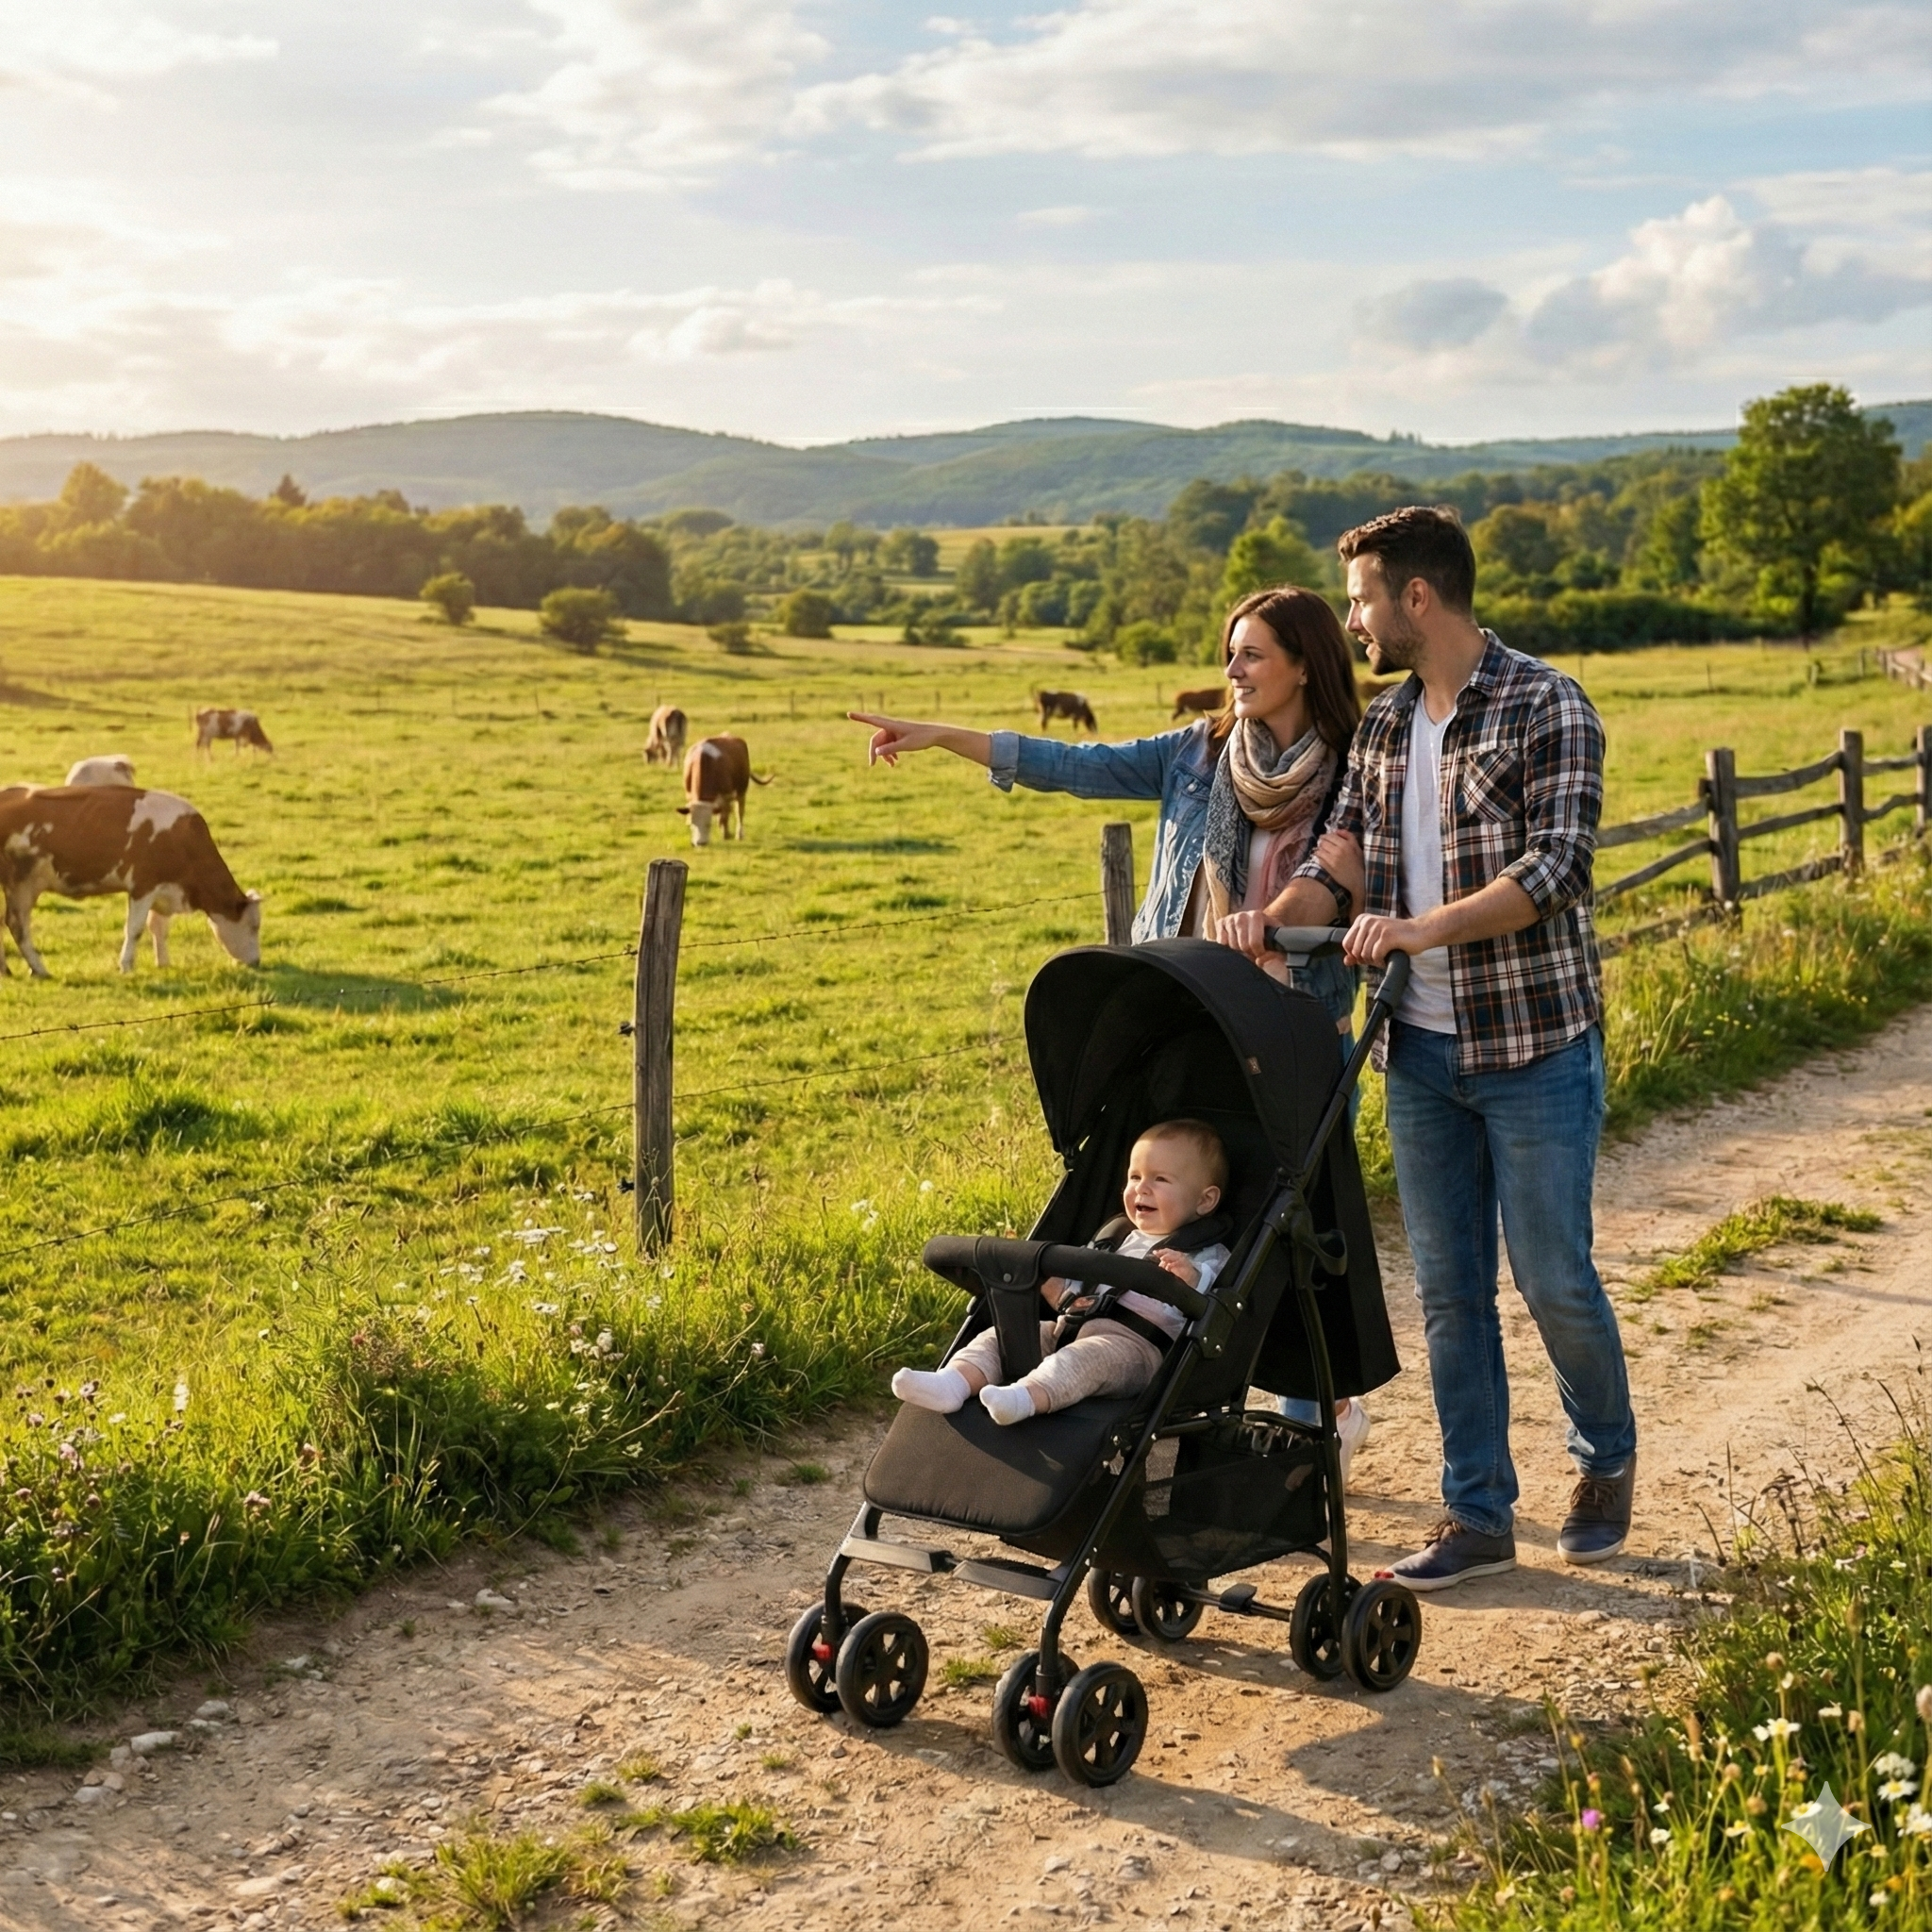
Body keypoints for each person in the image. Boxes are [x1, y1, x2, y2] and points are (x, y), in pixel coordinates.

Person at [853, 585, 1375, 1477]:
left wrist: (1272, 925)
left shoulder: (1358, 766)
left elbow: (1347, 869)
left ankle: (1307, 1437)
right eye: (1231, 652)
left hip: (1293, 1030)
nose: (1232, 670)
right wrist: (945, 736)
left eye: (1251, 654)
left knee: (1284, 1241)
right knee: (1164, 1230)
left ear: (1302, 663)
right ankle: (1171, 1422)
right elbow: (1076, 763)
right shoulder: (1197, 754)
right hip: (1186, 1027)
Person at [1222, 505, 1636, 1590]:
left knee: (1551, 1278)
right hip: (1416, 1050)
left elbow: (1557, 869)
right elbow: (1341, 850)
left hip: (1535, 1046)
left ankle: (1602, 1456)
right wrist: (1279, 914)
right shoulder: (1384, 727)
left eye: (1359, 596)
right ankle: (1476, 1511)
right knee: (1450, 1293)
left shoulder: (1548, 704)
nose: (1349, 618)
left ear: (1415, 596)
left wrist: (1420, 926)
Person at [891, 1120, 1232, 1424]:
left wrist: (1191, 1277)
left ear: (1205, 1201)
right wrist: (1056, 1288)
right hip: (1069, 1328)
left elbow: (1216, 1298)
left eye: (1160, 1179)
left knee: (1084, 1360)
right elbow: (1076, 1280)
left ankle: (1025, 1398)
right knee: (1002, 1337)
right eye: (1134, 1177)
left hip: (1137, 1350)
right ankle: (953, 1382)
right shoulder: (1113, 1237)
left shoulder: (1206, 1252)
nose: (1141, 1188)